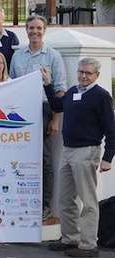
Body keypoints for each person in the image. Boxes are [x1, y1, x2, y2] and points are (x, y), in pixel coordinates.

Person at [43, 58, 114, 257]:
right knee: (66, 199)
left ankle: (89, 245)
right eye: (81, 72)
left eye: (88, 73)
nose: (83, 76)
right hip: (68, 151)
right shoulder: (73, 91)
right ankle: (70, 239)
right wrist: (48, 84)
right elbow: (57, 106)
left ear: (96, 75)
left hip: (87, 151)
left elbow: (111, 130)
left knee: (88, 201)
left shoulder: (102, 96)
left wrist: (108, 157)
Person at [10, 14, 67, 220]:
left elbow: (60, 91)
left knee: (42, 158)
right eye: (31, 28)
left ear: (44, 31)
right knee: (21, 158)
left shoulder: (53, 56)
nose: (35, 32)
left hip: (43, 109)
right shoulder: (17, 56)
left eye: (39, 28)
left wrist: (56, 118)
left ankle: (43, 205)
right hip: (21, 111)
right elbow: (12, 85)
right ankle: (23, 200)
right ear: (26, 30)